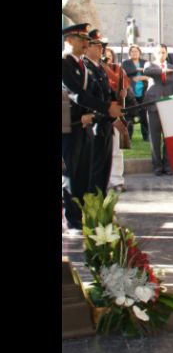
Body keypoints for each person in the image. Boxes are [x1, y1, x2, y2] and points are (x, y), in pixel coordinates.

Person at [62, 24, 122, 234]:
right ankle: (72, 220)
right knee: (71, 173)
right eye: (81, 39)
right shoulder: (64, 64)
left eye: (87, 39)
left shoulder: (82, 66)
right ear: (69, 40)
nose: (85, 42)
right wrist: (106, 108)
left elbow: (91, 95)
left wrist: (98, 112)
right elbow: (76, 94)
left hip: (85, 124)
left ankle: (82, 215)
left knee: (84, 173)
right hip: (70, 126)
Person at [84, 29, 116, 195]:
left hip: (106, 125)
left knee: (105, 170)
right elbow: (87, 98)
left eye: (103, 45)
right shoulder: (85, 67)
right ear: (87, 46)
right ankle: (92, 212)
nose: (102, 48)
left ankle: (102, 207)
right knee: (95, 171)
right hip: (95, 125)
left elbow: (108, 94)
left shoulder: (100, 68)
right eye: (98, 45)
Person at [144, 44, 173, 176]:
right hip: (154, 106)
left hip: (169, 107)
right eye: (159, 52)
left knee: (168, 139)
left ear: (166, 53)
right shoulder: (150, 65)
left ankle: (168, 166)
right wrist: (162, 71)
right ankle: (157, 166)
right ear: (155, 54)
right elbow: (147, 72)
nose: (161, 55)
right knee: (155, 138)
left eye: (163, 52)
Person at [103, 47, 131, 193]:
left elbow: (125, 86)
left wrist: (123, 91)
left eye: (109, 57)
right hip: (101, 112)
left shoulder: (118, 69)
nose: (107, 60)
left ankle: (117, 179)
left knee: (116, 149)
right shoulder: (97, 69)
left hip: (116, 111)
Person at [122, 45, 149, 141]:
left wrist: (144, 77)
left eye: (136, 51)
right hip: (130, 93)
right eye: (132, 51)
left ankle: (146, 136)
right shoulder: (126, 63)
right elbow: (125, 72)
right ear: (129, 53)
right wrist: (138, 70)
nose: (134, 53)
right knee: (129, 115)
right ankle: (129, 136)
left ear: (139, 52)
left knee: (144, 115)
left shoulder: (145, 62)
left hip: (143, 91)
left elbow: (149, 73)